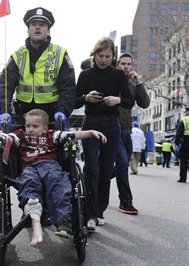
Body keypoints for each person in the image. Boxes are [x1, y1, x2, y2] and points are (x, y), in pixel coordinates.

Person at [0, 109, 107, 245]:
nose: (30, 129)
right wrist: (1, 136)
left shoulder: (52, 135)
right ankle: (35, 217)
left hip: (50, 166)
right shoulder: (21, 135)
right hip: (30, 168)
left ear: (45, 127)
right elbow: (9, 137)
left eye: (35, 126)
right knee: (29, 183)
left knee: (58, 184)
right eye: (28, 126)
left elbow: (69, 135)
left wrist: (90, 133)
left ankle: (63, 219)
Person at [74, 37, 134, 230]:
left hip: (112, 125)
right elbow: (74, 102)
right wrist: (85, 98)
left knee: (106, 169)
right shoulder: (85, 75)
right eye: (101, 56)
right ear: (94, 55)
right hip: (91, 124)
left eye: (108, 56)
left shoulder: (118, 75)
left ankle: (98, 211)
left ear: (112, 56)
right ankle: (89, 212)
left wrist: (117, 100)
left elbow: (129, 101)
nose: (104, 60)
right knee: (92, 168)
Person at [0, 7, 75, 127]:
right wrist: (4, 111)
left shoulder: (60, 54)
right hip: (24, 115)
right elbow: (5, 86)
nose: (37, 27)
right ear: (28, 30)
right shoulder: (18, 56)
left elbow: (68, 87)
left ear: (48, 31)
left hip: (53, 116)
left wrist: (62, 110)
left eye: (42, 24)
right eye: (33, 24)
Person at [113, 53, 149, 215]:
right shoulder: (111, 79)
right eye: (123, 64)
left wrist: (139, 84)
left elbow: (145, 104)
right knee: (121, 164)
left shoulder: (133, 84)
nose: (126, 67)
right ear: (117, 64)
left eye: (128, 64)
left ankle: (94, 183)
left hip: (126, 131)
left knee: (119, 166)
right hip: (113, 128)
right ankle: (126, 202)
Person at [175, 105, 189, 183]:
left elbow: (179, 133)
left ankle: (183, 178)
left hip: (185, 142)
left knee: (183, 161)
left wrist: (177, 143)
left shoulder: (183, 120)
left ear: (187, 111)